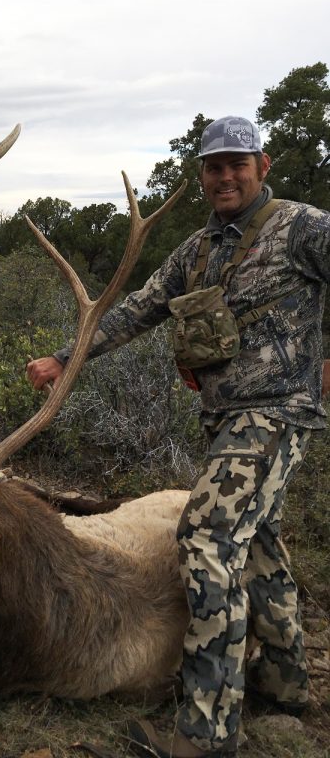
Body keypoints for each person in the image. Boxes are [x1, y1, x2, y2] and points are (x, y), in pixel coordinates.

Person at [26, 116, 330, 758]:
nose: (225, 176)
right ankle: (284, 682)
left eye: (237, 165)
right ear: (202, 176)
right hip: (226, 419)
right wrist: (64, 358)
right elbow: (138, 309)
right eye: (214, 167)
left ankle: (207, 731)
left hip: (276, 414)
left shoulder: (302, 226)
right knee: (258, 542)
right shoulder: (197, 250)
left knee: (206, 537)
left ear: (262, 167)